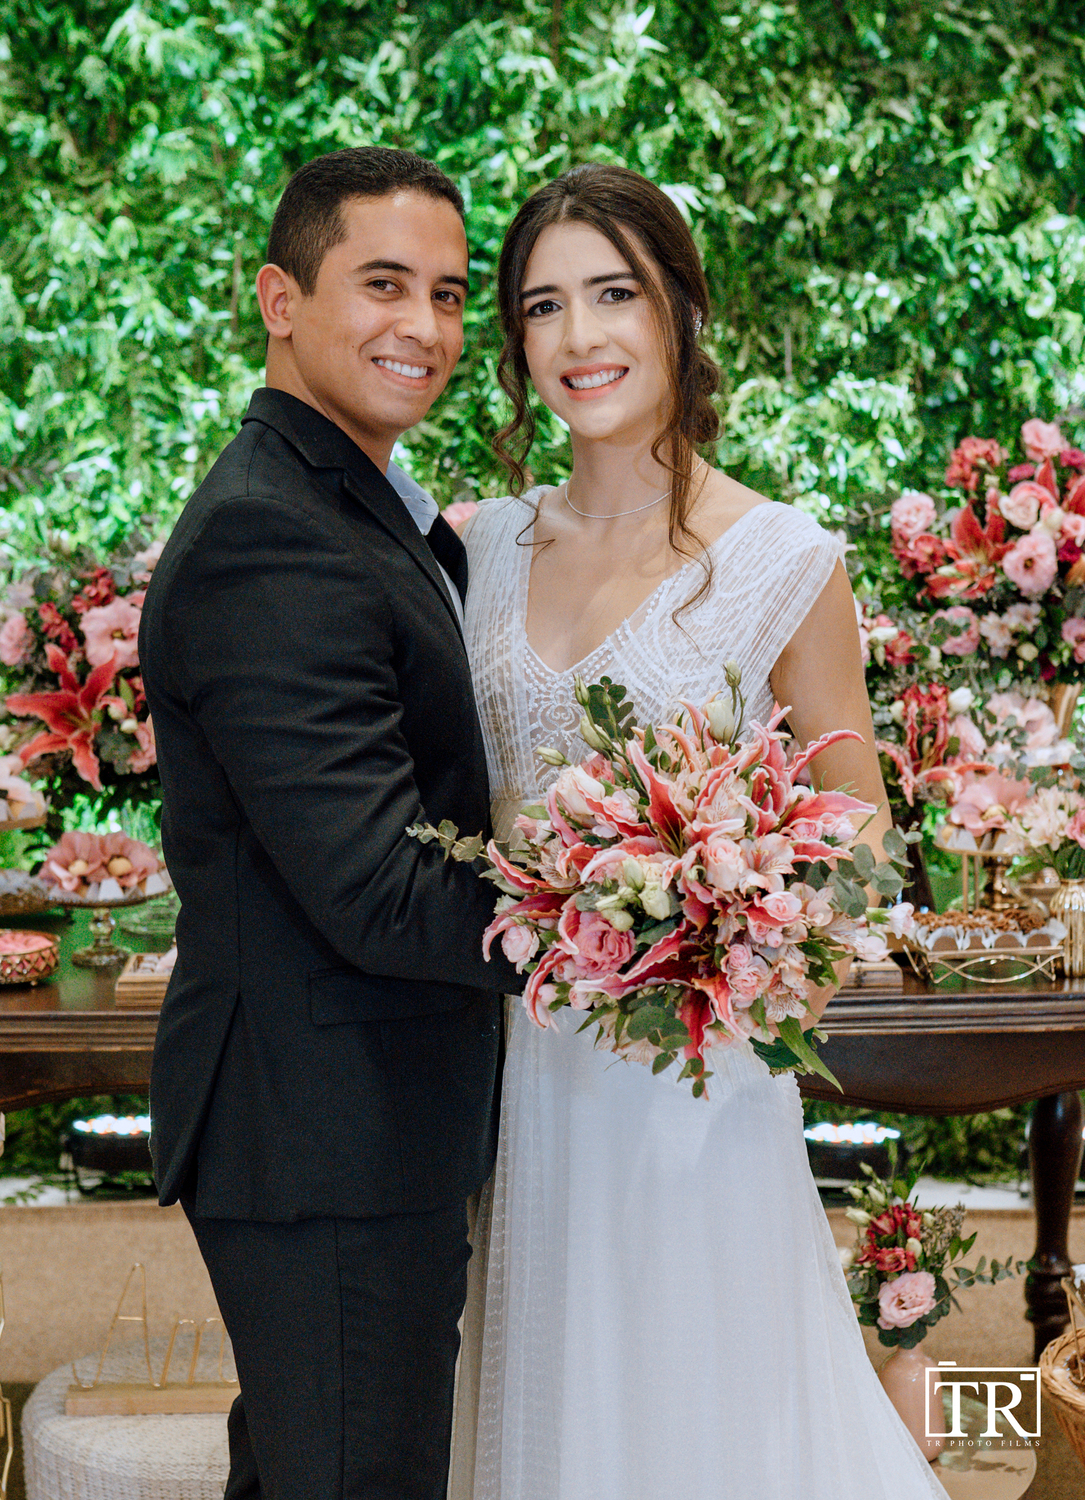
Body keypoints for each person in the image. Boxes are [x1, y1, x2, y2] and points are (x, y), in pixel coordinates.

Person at [450, 163, 945, 1499]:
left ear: (679, 308)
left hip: (691, 1083)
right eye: (543, 307)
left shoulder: (782, 558)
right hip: (508, 1060)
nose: (578, 338)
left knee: (700, 1411)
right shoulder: (475, 546)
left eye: (612, 294)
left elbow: (857, 841)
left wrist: (726, 935)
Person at [140, 146, 521, 1500]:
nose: (422, 326)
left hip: (348, 1122)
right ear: (280, 300)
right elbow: (376, 887)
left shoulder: (346, 504)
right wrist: (617, 925)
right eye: (381, 284)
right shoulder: (274, 536)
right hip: (325, 1137)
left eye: (449, 292)